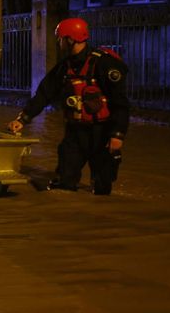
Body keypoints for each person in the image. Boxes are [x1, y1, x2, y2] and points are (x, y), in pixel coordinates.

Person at [7, 18, 129, 195]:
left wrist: (118, 135)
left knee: (102, 190)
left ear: (70, 39)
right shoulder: (64, 68)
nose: (58, 42)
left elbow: (120, 103)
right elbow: (43, 94)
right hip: (75, 133)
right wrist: (23, 119)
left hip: (102, 133)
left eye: (60, 38)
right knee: (64, 184)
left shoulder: (104, 64)